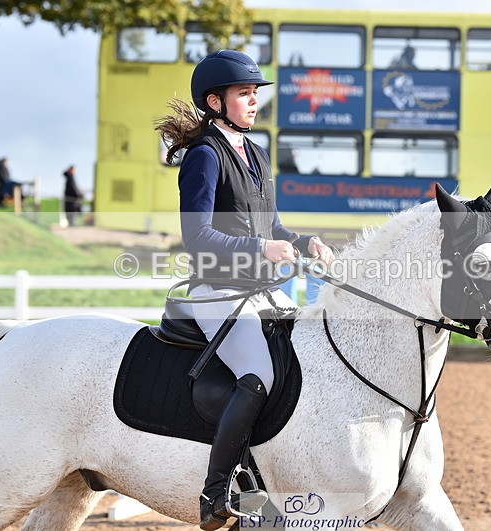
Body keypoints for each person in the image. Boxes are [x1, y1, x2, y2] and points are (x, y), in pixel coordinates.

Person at [155, 50, 334, 530]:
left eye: (256, 94)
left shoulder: (254, 153)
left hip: (265, 290)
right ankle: (216, 495)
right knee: (259, 375)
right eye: (244, 94)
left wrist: (301, 242)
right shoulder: (204, 156)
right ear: (215, 101)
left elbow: (272, 223)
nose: (254, 102)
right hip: (219, 290)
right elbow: (197, 238)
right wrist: (261, 248)